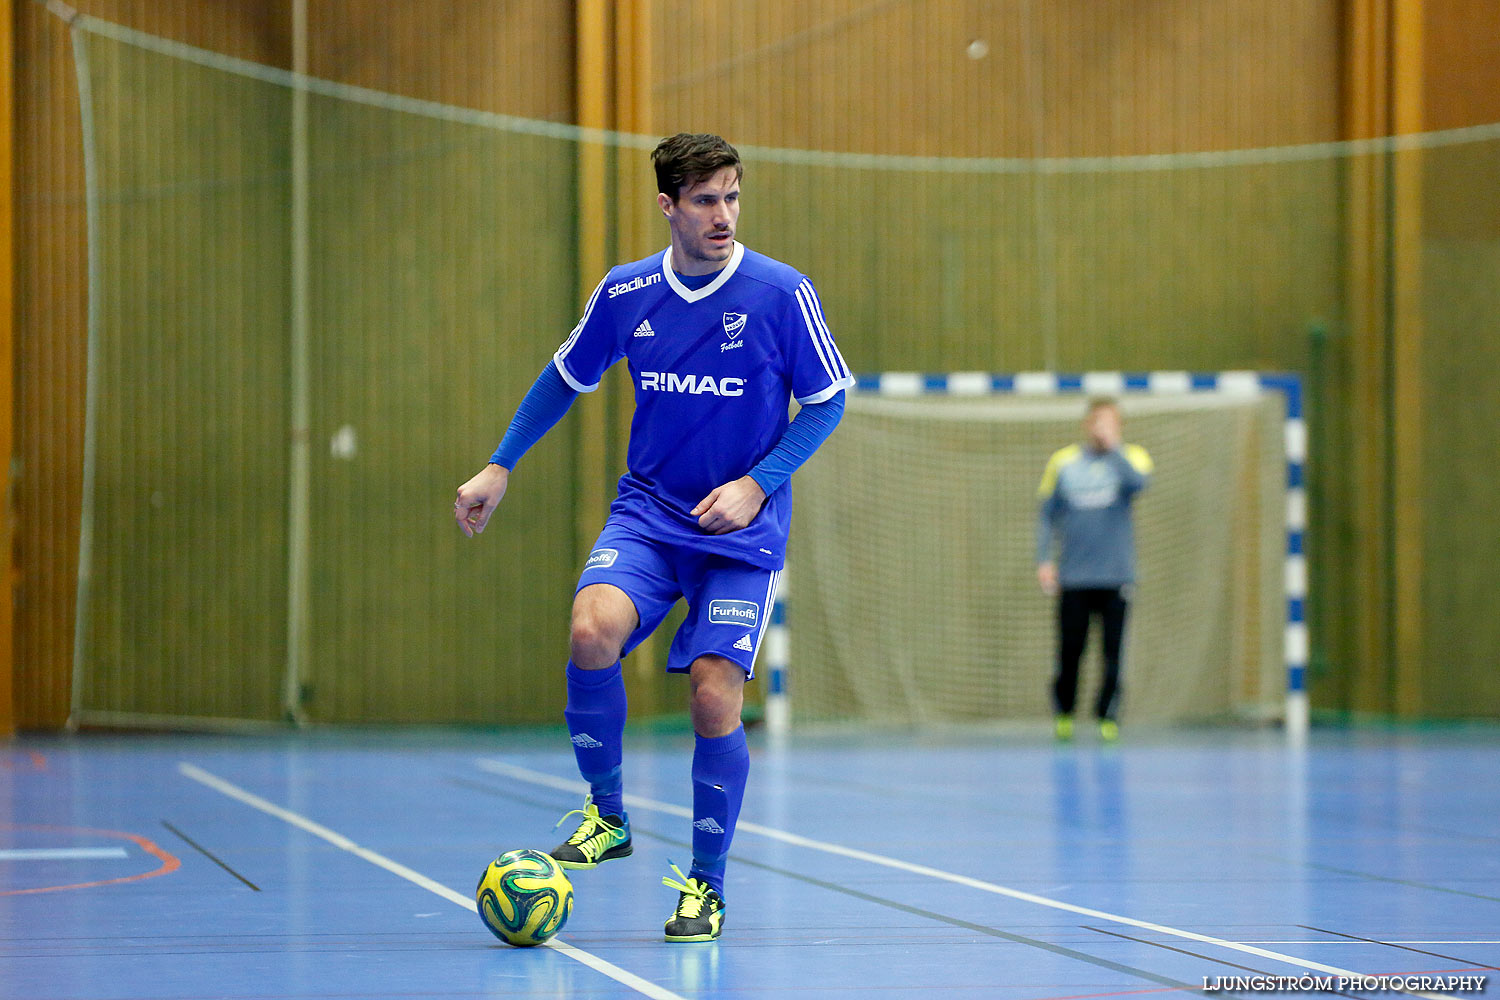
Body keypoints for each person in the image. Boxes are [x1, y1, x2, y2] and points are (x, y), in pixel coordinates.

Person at [453, 133, 853, 942]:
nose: (724, 216)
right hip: (647, 515)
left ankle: (705, 885)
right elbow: (563, 378)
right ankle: (609, 817)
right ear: (669, 205)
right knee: (590, 629)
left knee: (712, 693)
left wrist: (756, 484)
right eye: (706, 200)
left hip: (739, 534)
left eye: (733, 196)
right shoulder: (626, 291)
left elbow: (829, 402)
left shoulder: (781, 294)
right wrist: (499, 465)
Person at [1035, 397, 1153, 742]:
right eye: (1097, 421)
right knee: (1070, 652)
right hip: (1074, 577)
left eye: (1109, 422)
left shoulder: (1131, 458)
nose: (1102, 427)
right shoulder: (1064, 463)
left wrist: (1113, 449)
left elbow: (1139, 485)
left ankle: (1108, 717)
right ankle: (1065, 714)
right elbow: (1046, 514)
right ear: (1087, 424)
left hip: (1116, 576)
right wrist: (1044, 560)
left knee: (1112, 653)